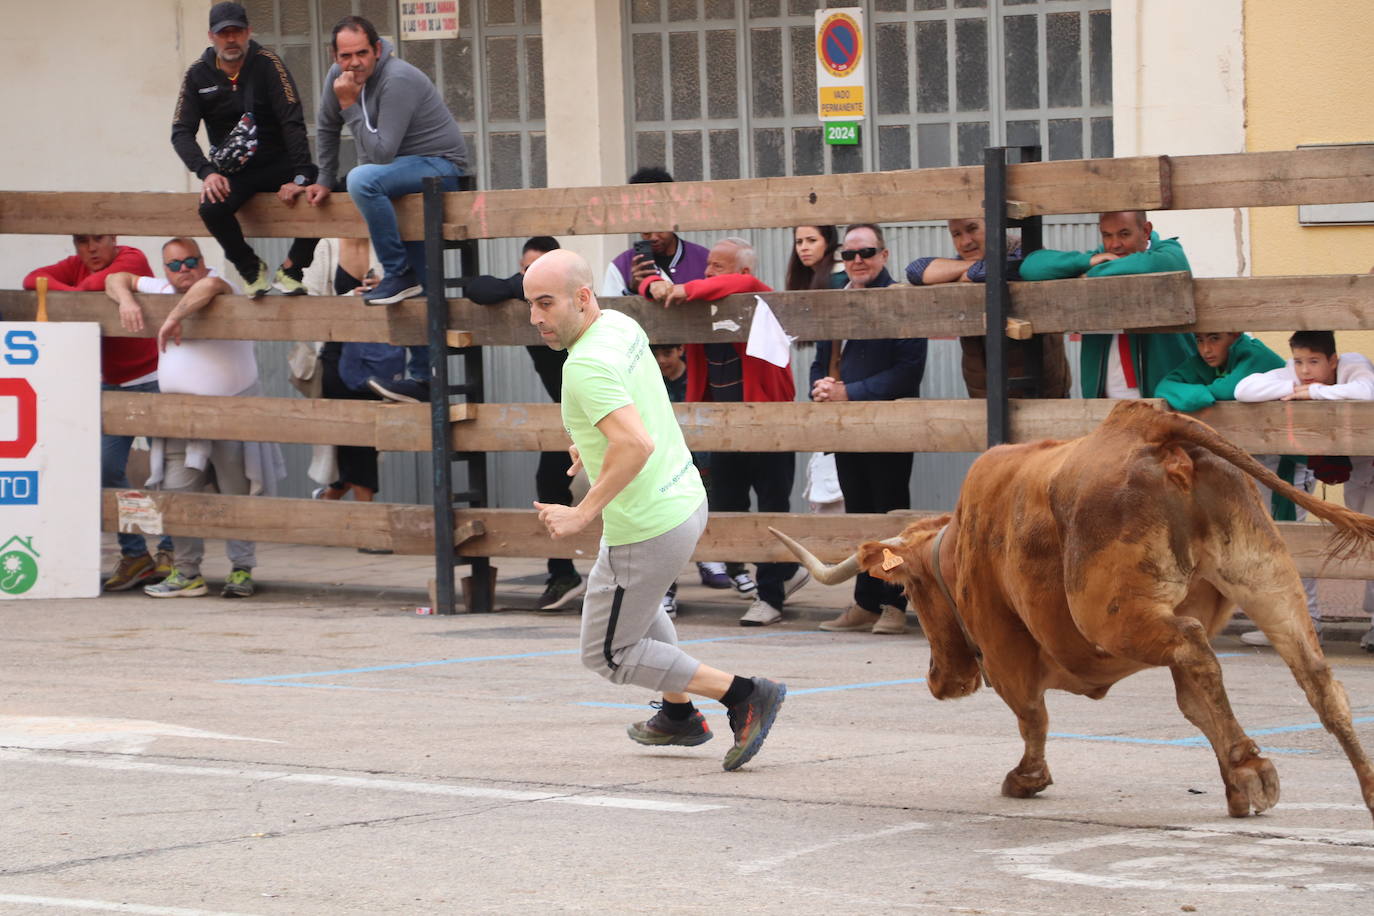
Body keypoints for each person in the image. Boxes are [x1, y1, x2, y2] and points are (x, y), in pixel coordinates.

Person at [525, 249, 786, 769]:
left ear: (581, 297)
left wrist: (581, 515)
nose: (535, 317)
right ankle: (677, 715)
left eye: (546, 303)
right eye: (530, 304)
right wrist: (591, 444)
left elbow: (635, 445)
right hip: (684, 499)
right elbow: (634, 409)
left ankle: (742, 694)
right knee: (636, 615)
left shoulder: (585, 365)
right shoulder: (619, 326)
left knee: (608, 652)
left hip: (644, 526)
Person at [642, 237, 810, 627]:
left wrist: (681, 287)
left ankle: (771, 597)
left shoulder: (757, 295)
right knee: (725, 506)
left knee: (772, 509)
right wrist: (651, 285)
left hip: (768, 425)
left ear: (743, 270)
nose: (707, 273)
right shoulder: (703, 307)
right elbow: (652, 293)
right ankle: (784, 573)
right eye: (707, 266)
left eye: (718, 266)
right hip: (722, 428)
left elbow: (742, 287)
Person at [104, 238, 286, 599]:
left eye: (190, 261)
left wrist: (173, 316)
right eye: (173, 265)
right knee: (176, 492)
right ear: (164, 269)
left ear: (202, 262)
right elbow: (116, 278)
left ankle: (241, 570)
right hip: (180, 419)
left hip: (230, 411)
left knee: (238, 494)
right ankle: (187, 573)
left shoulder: (221, 284)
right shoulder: (160, 287)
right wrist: (126, 299)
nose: (183, 269)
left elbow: (209, 287)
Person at [23, 234, 175, 591]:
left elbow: (98, 284)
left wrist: (66, 292)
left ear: (114, 239)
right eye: (82, 242)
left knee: (168, 470)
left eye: (98, 240)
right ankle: (136, 554)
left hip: (154, 378)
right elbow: (32, 279)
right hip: (111, 384)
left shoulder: (132, 257)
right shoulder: (77, 266)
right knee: (104, 468)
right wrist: (77, 292)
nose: (90, 249)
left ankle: (174, 551)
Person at [1156, 331, 1323, 641]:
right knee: (1267, 540)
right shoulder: (1206, 359)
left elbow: (1228, 388)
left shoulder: (1253, 355)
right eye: (1200, 341)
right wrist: (1209, 392)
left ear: (1234, 335)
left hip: (1287, 460)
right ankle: (1285, 624)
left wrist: (1208, 391)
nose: (1206, 349)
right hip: (1259, 462)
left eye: (1214, 339)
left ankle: (1306, 625)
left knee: (1289, 539)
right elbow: (1166, 387)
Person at [811, 224, 927, 635]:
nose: (857, 261)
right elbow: (822, 356)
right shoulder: (836, 303)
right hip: (846, 430)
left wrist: (849, 392)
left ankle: (895, 602)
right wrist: (823, 386)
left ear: (885, 255)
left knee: (889, 519)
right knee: (858, 518)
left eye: (866, 252)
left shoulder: (902, 301)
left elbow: (908, 372)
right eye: (849, 254)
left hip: (890, 428)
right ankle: (865, 603)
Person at [307, 14, 468, 307]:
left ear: (377, 50)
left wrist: (348, 105)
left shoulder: (397, 78)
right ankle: (410, 288)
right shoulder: (337, 76)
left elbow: (382, 153)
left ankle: (397, 271)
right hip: (399, 174)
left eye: (362, 53)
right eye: (346, 56)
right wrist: (325, 180)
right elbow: (327, 126)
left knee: (360, 179)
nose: (354, 62)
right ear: (335, 56)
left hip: (440, 166)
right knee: (420, 299)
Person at [463, 237, 587, 610]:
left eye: (540, 271)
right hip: (564, 415)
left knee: (630, 491)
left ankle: (662, 587)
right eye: (525, 271)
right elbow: (475, 287)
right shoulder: (531, 306)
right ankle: (562, 573)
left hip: (607, 407)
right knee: (549, 486)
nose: (529, 280)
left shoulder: (576, 306)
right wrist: (524, 284)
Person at [1235, 330, 1374, 652]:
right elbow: (1244, 390)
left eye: (1314, 361)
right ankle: (1310, 622)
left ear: (1332, 360)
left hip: (1369, 460)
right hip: (1352, 469)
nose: (1305, 369)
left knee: (1370, 538)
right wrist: (1294, 386)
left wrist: (1315, 393)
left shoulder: (1354, 365)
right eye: (1299, 361)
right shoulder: (1292, 372)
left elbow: (1366, 391)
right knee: (1355, 539)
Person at [171, 2, 319, 298]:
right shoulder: (197, 74)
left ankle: (292, 269)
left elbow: (292, 120)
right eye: (223, 33)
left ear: (248, 32)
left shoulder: (269, 64)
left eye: (236, 32)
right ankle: (251, 269)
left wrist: (301, 176)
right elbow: (180, 132)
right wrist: (207, 172)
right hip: (233, 172)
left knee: (326, 191)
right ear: (211, 36)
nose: (230, 39)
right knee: (211, 208)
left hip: (279, 163)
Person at [1019, 210, 1197, 399]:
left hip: (1165, 399)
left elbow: (1148, 265)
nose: (1115, 244)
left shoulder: (1169, 253)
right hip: (1105, 402)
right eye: (1107, 235)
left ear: (1146, 231)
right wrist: (1087, 260)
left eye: (1124, 234)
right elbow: (1030, 268)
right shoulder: (1099, 258)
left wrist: (1090, 274)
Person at [906, 217, 1070, 399]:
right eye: (956, 234)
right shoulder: (962, 263)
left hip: (1042, 394)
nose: (966, 241)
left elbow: (1013, 270)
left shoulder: (1027, 254)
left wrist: (958, 274)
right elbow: (915, 270)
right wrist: (970, 270)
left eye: (972, 228)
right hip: (984, 397)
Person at [301, 237, 397, 532]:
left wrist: (384, 288)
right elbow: (310, 302)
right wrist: (348, 300)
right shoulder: (327, 247)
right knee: (356, 436)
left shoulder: (384, 242)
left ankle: (329, 497)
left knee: (365, 436)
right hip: (336, 352)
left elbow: (410, 286)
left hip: (376, 353)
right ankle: (367, 525)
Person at [598, 167, 711, 299]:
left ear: (673, 215)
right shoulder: (620, 266)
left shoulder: (705, 260)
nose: (653, 237)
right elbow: (612, 315)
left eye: (659, 226)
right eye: (645, 229)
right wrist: (632, 290)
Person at [785, 225, 841, 291]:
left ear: (828, 242)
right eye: (799, 242)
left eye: (812, 240)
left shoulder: (839, 276)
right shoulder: (801, 275)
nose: (803, 248)